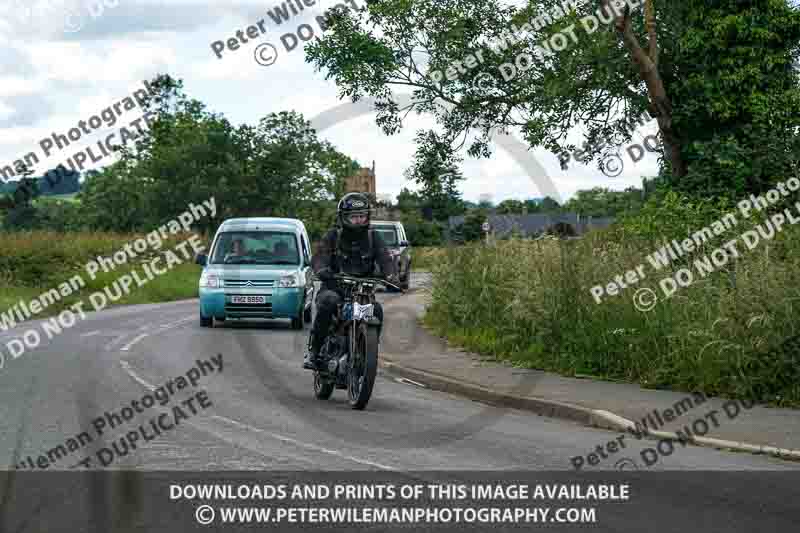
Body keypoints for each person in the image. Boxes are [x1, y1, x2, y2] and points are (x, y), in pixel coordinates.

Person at [303, 192, 399, 370]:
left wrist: (391, 276)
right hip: (335, 287)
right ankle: (315, 352)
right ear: (344, 217)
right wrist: (322, 269)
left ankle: (368, 351)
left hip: (363, 292)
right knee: (327, 302)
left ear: (367, 216)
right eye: (354, 217)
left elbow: (385, 258)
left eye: (362, 216)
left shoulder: (373, 237)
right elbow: (319, 256)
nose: (358, 220)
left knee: (376, 310)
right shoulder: (334, 235)